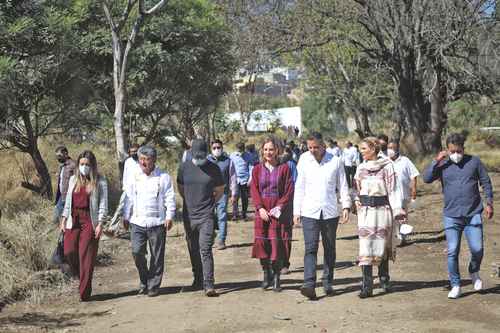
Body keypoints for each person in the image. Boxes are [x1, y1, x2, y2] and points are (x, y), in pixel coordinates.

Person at [423, 133, 493, 299]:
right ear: (447, 149)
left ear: (463, 148)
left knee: (477, 249)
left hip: (473, 213)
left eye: (459, 151)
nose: (456, 154)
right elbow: (426, 178)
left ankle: (473, 270)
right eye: (452, 151)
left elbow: (486, 182)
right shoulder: (443, 164)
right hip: (451, 215)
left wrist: (489, 202)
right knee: (452, 251)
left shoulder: (474, 162)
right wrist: (436, 160)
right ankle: (455, 284)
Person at [293, 132, 351, 300]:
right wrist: (297, 211)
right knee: (310, 248)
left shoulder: (335, 161)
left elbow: (343, 185)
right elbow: (300, 187)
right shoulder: (304, 159)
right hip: (309, 211)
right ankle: (309, 284)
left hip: (329, 211)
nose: (312, 150)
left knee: (329, 248)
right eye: (309, 147)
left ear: (323, 146)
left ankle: (327, 280)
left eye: (316, 147)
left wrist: (346, 206)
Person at [354, 137, 405, 299]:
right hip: (366, 212)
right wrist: (357, 200)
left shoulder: (387, 166)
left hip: (382, 211)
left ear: (373, 149)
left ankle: (384, 280)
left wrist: (397, 210)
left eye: (363, 149)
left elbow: (393, 190)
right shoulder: (361, 167)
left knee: (382, 246)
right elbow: (358, 188)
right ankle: (367, 286)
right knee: (366, 247)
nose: (361, 152)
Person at [123, 146, 176, 297]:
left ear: (154, 160)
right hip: (137, 222)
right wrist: (126, 216)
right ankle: (144, 279)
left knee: (157, 255)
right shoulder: (134, 176)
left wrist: (169, 216)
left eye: (147, 159)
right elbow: (129, 197)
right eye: (141, 159)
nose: (144, 163)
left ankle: (153, 285)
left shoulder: (163, 176)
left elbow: (169, 197)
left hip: (157, 222)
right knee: (137, 252)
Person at [178, 139, 225, 297]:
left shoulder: (214, 168)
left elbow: (219, 189)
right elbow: (181, 187)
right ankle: (197, 279)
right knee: (193, 248)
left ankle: (209, 284)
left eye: (202, 155)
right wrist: (191, 200)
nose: (199, 157)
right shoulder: (184, 167)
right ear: (191, 152)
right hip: (189, 216)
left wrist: (209, 203)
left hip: (206, 215)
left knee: (205, 249)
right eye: (196, 155)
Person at [60, 150, 108, 301]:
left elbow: (103, 205)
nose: (84, 167)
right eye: (81, 164)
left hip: (89, 220)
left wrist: (100, 224)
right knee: (69, 251)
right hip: (73, 219)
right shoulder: (74, 179)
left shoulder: (100, 181)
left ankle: (84, 292)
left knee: (86, 256)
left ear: (92, 165)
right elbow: (68, 201)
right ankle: (82, 275)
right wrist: (63, 218)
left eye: (87, 164)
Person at [250, 137, 294, 292]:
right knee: (262, 243)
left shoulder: (284, 168)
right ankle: (265, 272)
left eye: (271, 149)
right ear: (262, 150)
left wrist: (280, 207)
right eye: (266, 149)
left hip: (277, 212)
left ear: (277, 151)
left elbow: (289, 190)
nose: (268, 152)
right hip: (262, 212)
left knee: (276, 244)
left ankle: (276, 277)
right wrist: (260, 208)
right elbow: (254, 190)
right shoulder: (256, 169)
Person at [387, 140, 420, 244]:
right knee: (392, 216)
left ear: (397, 149)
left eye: (392, 148)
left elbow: (414, 175)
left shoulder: (405, 160)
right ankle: (396, 236)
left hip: (403, 194)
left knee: (403, 217)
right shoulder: (385, 162)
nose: (390, 150)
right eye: (389, 148)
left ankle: (403, 238)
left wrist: (414, 189)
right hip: (390, 194)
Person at [207, 139, 238, 250]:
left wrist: (233, 193)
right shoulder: (206, 161)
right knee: (209, 216)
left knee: (222, 216)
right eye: (214, 148)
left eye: (218, 147)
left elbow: (233, 178)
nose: (216, 150)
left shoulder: (228, 161)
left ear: (222, 148)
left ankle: (221, 240)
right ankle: (210, 237)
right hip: (209, 194)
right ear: (211, 149)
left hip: (223, 194)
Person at [106, 144, 141, 235]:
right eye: (132, 152)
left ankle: (134, 229)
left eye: (135, 151)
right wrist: (124, 187)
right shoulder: (128, 162)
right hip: (128, 190)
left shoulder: (143, 161)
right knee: (121, 208)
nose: (134, 153)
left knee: (135, 210)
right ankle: (111, 228)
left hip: (140, 191)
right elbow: (125, 175)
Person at [54, 146, 76, 224]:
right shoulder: (62, 166)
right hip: (61, 197)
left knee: (66, 221)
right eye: (57, 156)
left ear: (65, 154)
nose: (58, 158)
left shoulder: (73, 165)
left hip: (69, 197)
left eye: (59, 156)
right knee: (56, 219)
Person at [230, 142, 250, 220]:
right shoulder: (232, 156)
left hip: (245, 180)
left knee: (245, 198)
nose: (240, 151)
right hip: (235, 180)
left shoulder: (248, 156)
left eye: (242, 149)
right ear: (237, 149)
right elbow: (230, 168)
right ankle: (235, 214)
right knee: (235, 197)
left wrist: (250, 179)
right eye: (239, 150)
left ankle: (244, 214)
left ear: (244, 148)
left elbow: (251, 167)